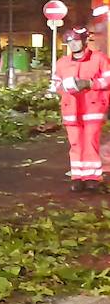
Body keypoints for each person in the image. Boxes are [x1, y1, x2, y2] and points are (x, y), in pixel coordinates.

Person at [53, 25, 110, 192]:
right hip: (71, 109)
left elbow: (108, 79)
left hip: (92, 108)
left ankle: (92, 177)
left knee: (90, 142)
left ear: (85, 41)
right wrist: (64, 87)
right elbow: (56, 83)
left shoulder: (99, 59)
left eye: (76, 41)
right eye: (69, 42)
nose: (73, 45)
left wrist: (90, 84)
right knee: (76, 144)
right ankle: (77, 177)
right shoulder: (62, 63)